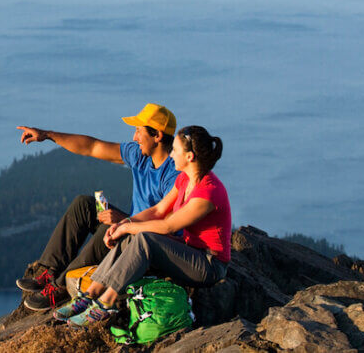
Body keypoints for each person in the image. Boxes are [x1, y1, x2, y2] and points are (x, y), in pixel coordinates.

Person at [52, 125, 231, 327]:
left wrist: (128, 227)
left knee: (145, 238)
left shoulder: (208, 192)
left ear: (189, 157)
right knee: (132, 235)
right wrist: (125, 224)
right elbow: (158, 210)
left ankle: (105, 304)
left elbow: (168, 226)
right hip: (189, 251)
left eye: (176, 150)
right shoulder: (184, 179)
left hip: (209, 265)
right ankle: (90, 294)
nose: (171, 155)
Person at [14, 103, 179, 311]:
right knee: (84, 205)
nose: (135, 137)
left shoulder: (174, 174)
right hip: (130, 223)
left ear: (158, 136)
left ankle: (59, 289)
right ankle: (49, 271)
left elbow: (167, 226)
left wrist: (124, 221)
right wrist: (47, 135)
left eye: (139, 130)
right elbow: (92, 146)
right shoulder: (140, 156)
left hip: (148, 242)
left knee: (108, 233)